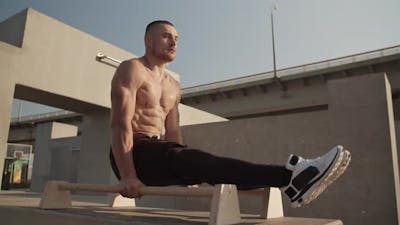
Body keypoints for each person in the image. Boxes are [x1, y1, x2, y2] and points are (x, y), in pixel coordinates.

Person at [109, 20, 351, 208]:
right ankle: (291, 176)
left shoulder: (173, 85)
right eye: (166, 36)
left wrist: (186, 170)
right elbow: (120, 125)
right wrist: (128, 175)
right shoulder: (132, 69)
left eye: (177, 38)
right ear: (148, 40)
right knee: (192, 159)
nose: (174, 42)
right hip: (133, 153)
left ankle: (291, 183)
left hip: (160, 152)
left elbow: (172, 131)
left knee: (200, 162)